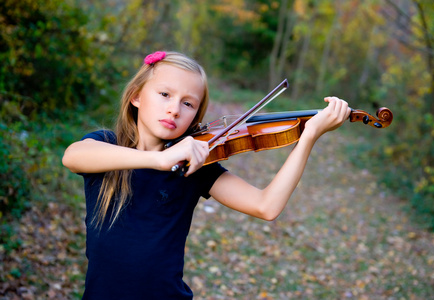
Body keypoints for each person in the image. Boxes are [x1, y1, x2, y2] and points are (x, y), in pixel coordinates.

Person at [62, 51, 351, 299]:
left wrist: (308, 136)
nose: (174, 109)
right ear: (137, 96)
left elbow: (267, 206)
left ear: (196, 115)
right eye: (164, 94)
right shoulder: (108, 147)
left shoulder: (196, 164)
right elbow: (72, 156)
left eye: (188, 103)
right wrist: (158, 159)